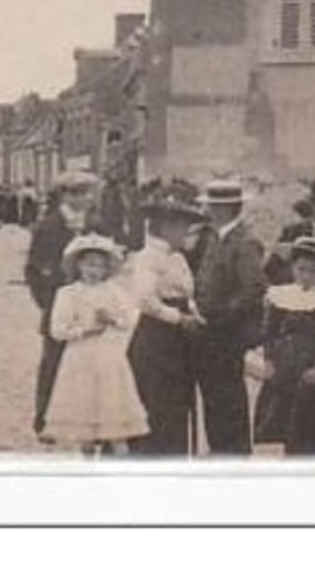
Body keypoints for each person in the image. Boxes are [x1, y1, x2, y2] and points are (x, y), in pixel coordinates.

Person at [43, 234, 148, 455]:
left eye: (100, 265)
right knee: (85, 425)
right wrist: (85, 329)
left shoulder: (114, 292)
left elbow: (131, 319)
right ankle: (88, 468)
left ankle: (121, 470)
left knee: (116, 424)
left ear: (107, 269)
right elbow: (57, 330)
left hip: (109, 361)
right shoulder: (68, 294)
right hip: (79, 360)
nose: (94, 270)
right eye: (89, 264)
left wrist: (113, 318)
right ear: (78, 265)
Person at [123, 190, 208, 455]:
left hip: (179, 339)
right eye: (182, 227)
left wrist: (193, 312)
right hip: (156, 338)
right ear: (165, 227)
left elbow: (187, 293)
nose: (186, 233)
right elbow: (145, 299)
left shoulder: (178, 257)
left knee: (176, 401)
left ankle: (175, 456)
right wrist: (177, 318)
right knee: (157, 400)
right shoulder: (148, 257)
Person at [190, 177, 268, 455]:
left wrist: (222, 316)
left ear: (226, 209)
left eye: (212, 207)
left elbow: (253, 288)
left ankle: (233, 450)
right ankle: (220, 447)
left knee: (227, 393)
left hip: (227, 332)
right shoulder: (215, 238)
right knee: (213, 392)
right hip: (210, 330)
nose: (208, 212)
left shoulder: (245, 242)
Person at [252, 237, 315, 455]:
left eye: (313, 271)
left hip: (311, 365)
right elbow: (269, 330)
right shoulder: (280, 294)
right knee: (275, 416)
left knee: (308, 419)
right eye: (301, 269)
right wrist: (267, 360)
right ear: (292, 268)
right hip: (282, 364)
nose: (306, 275)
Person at [24, 170, 101, 440]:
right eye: (78, 193)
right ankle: (44, 420)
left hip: (90, 303)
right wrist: (49, 302)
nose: (85, 198)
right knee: (53, 362)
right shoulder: (49, 226)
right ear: (65, 195)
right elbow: (33, 269)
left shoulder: (94, 224)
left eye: (87, 193)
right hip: (59, 304)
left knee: (90, 359)